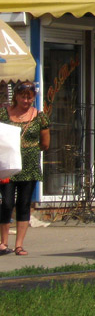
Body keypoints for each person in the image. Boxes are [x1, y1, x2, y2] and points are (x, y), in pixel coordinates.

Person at [0, 81, 50, 256]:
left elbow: (45, 143)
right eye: (23, 96)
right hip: (7, 166)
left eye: (30, 96)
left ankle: (19, 245)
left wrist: (30, 149)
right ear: (16, 96)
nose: (26, 100)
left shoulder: (39, 117)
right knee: (6, 203)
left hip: (29, 167)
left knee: (24, 204)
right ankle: (3, 243)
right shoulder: (3, 114)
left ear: (34, 97)